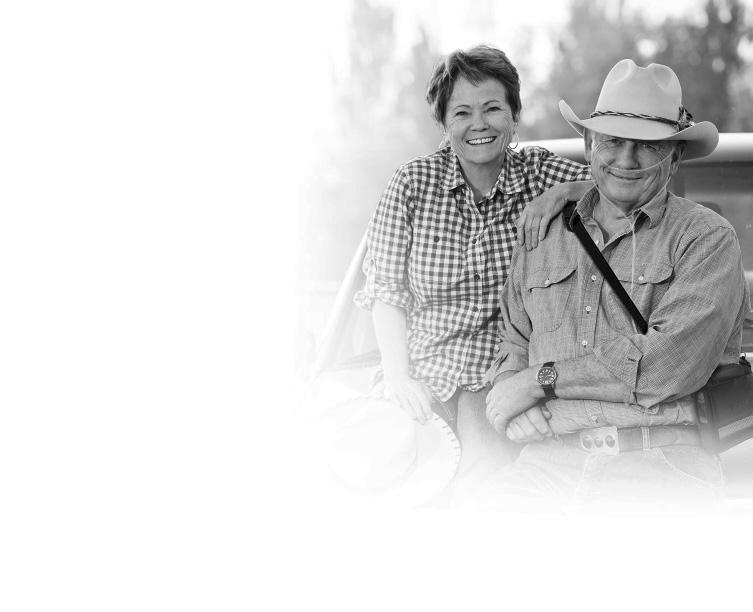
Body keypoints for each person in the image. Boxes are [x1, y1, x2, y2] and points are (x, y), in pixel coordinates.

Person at [481, 58, 750, 505]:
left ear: (675, 156)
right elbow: (513, 342)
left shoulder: (706, 238)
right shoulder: (542, 235)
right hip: (543, 467)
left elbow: (663, 367)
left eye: (647, 145)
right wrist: (512, 402)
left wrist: (535, 383)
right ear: (589, 146)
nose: (626, 159)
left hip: (658, 466)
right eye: (613, 141)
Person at [354, 44, 592, 471]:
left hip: (502, 380)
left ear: (514, 115)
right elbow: (386, 292)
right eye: (462, 112)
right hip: (420, 374)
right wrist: (397, 378)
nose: (478, 124)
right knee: (384, 472)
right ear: (444, 123)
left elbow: (622, 186)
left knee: (482, 483)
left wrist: (563, 193)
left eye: (492, 108)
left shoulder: (540, 174)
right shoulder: (411, 184)